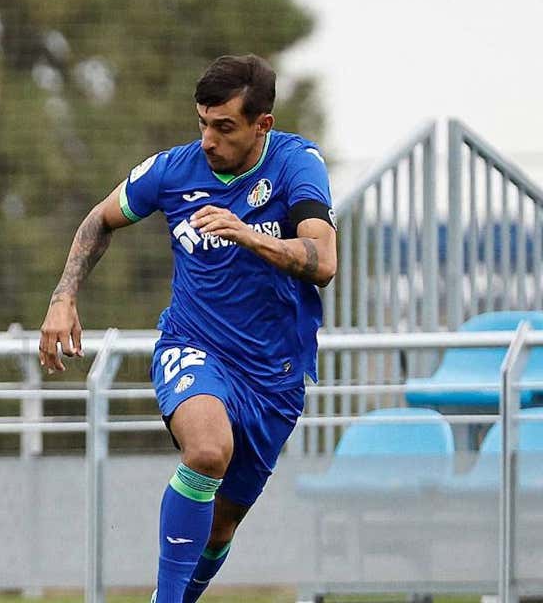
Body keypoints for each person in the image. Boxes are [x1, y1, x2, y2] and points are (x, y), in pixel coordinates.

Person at [38, 54, 336, 602]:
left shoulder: (298, 165)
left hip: (275, 376)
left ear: (261, 124)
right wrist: (63, 296)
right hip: (194, 348)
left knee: (220, 529)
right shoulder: (172, 171)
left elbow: (324, 259)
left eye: (224, 127)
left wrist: (249, 235)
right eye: (203, 122)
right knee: (205, 451)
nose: (208, 140)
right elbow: (99, 220)